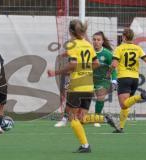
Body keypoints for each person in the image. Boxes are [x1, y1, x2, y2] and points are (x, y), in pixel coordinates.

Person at [48, 19, 99, 153]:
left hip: (77, 85)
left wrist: (55, 72)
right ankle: (103, 118)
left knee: (72, 117)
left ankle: (85, 145)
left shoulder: (72, 44)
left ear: (70, 31)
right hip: (88, 84)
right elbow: (96, 63)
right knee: (81, 118)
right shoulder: (88, 44)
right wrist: (86, 70)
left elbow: (73, 64)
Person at [111, 28, 146, 133]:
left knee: (123, 104)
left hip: (124, 78)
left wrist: (109, 72)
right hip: (135, 79)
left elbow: (114, 64)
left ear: (124, 37)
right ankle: (120, 127)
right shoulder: (137, 48)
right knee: (127, 103)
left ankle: (141, 96)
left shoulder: (119, 48)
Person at [92, 31, 117, 127]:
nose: (96, 41)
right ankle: (66, 118)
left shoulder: (107, 54)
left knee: (100, 97)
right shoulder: (88, 51)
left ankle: (97, 119)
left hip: (103, 80)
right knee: (78, 95)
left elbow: (113, 68)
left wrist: (114, 80)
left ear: (102, 41)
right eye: (94, 39)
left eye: (98, 40)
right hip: (90, 78)